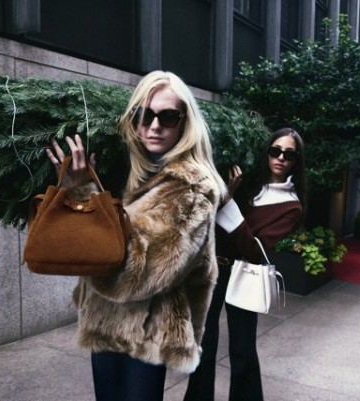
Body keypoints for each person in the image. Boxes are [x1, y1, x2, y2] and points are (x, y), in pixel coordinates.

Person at [45, 70, 227, 401]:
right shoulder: (129, 170)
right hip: (105, 320)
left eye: (168, 116)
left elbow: (136, 274)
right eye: (144, 115)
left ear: (185, 123)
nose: (154, 126)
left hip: (147, 332)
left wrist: (84, 192)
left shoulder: (192, 189)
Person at [184, 128, 307, 401]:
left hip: (245, 273)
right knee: (203, 343)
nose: (280, 158)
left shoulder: (291, 206)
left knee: (242, 349)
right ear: (267, 152)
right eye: (275, 151)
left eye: (289, 154)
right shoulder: (247, 182)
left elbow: (255, 250)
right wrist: (226, 195)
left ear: (296, 161)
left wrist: (228, 203)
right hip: (213, 267)